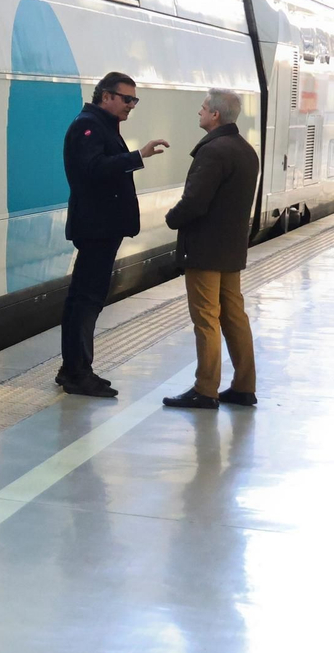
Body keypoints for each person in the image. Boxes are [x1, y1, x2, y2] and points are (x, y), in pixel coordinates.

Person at [58, 72, 168, 397]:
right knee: (86, 298)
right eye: (127, 99)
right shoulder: (87, 126)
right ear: (106, 96)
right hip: (96, 228)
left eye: (135, 100)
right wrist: (138, 156)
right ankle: (77, 373)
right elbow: (92, 169)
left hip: (101, 227)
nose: (131, 106)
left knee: (86, 297)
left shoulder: (101, 125)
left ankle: (75, 368)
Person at [161, 89, 260, 410]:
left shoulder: (213, 151)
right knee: (234, 316)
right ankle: (244, 386)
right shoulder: (245, 150)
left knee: (206, 318)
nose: (199, 112)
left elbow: (195, 201)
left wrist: (172, 218)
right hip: (232, 250)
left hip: (205, 250)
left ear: (215, 115)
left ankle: (205, 389)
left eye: (203, 108)